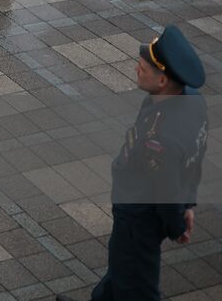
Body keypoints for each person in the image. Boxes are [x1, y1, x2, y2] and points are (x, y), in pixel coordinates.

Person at [56, 25, 206, 301]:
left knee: (136, 287)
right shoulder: (189, 102)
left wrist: (177, 224)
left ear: (162, 81)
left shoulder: (162, 139)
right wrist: (189, 205)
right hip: (134, 211)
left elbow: (167, 188)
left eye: (142, 67)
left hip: (139, 219)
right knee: (121, 271)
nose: (137, 69)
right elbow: (195, 158)